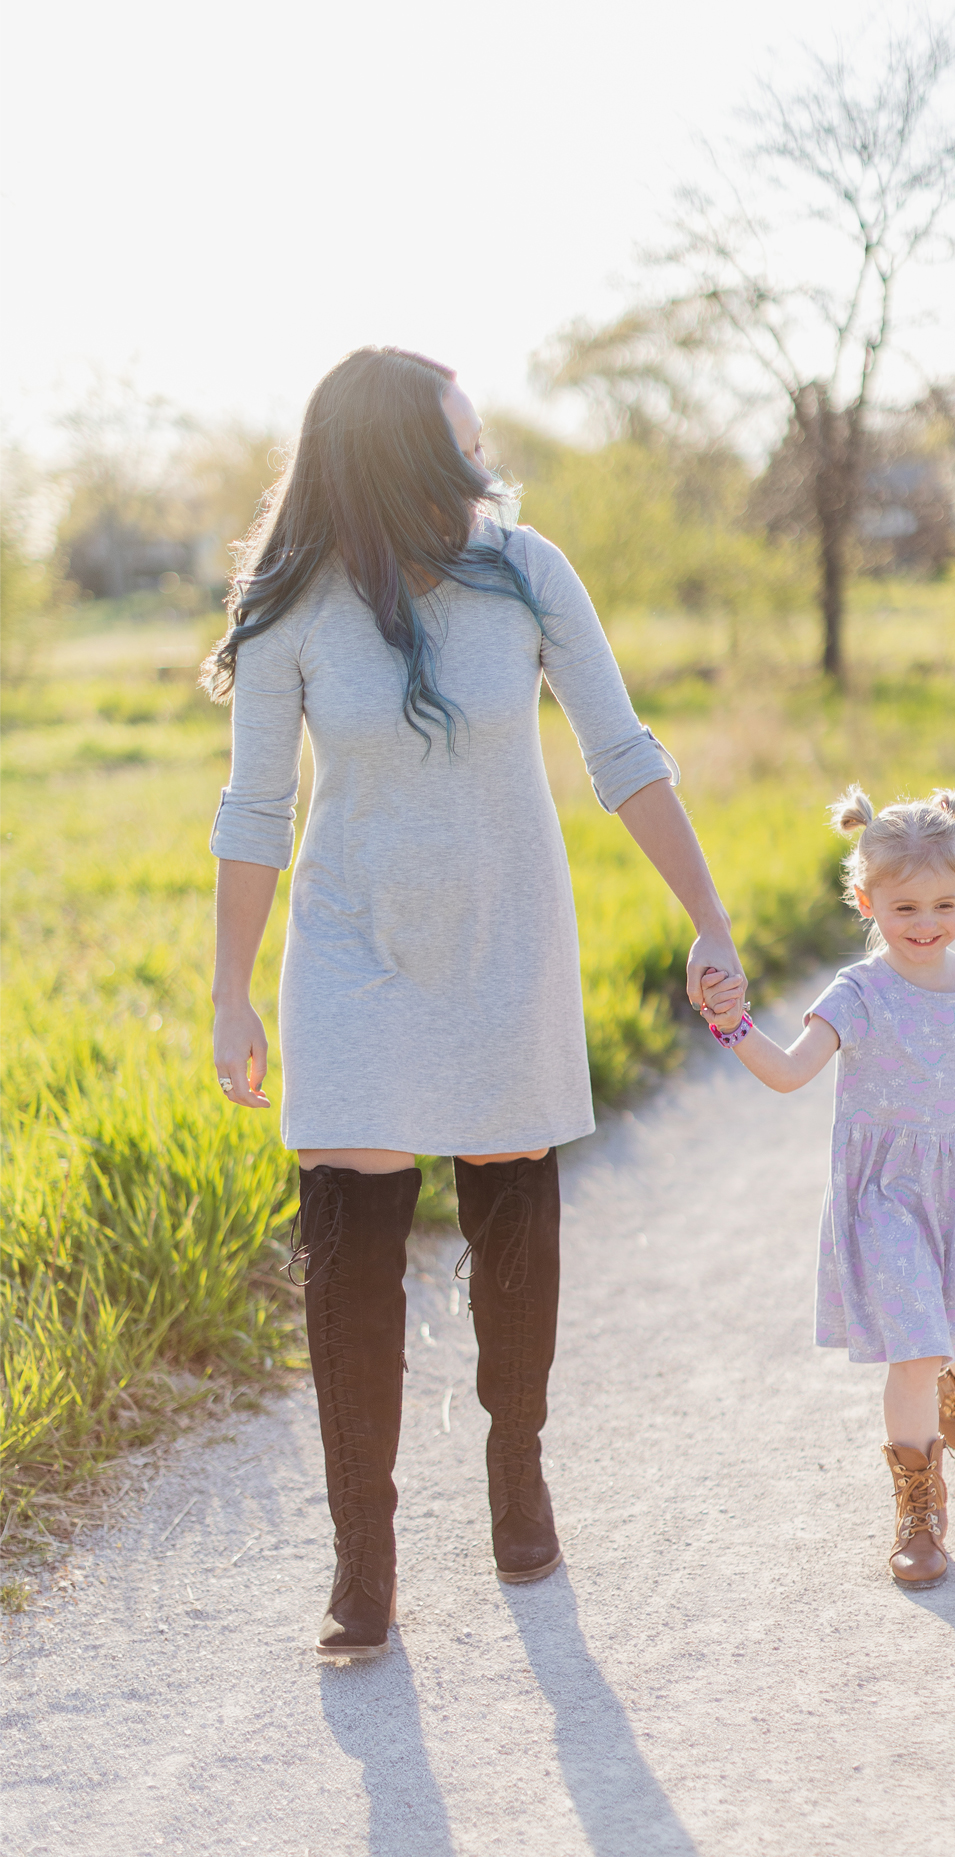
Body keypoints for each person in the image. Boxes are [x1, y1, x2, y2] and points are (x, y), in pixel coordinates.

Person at [205, 346, 744, 1663]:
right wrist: (230, 989)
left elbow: (622, 752)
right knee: (352, 1233)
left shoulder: (528, 571)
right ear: (399, 453)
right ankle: (363, 1567)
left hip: (506, 941)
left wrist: (710, 916)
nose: (484, 452)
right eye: (461, 433)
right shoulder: (295, 610)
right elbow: (256, 808)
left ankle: (517, 1474)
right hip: (352, 951)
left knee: (510, 1201)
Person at [692, 786, 955, 1590]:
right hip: (887, 1197)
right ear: (865, 899)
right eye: (904, 905)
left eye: (944, 903)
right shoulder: (859, 995)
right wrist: (729, 1023)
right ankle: (920, 1504)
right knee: (915, 1346)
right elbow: (787, 1071)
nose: (926, 923)